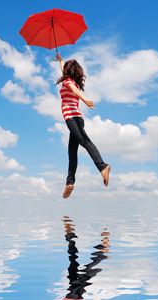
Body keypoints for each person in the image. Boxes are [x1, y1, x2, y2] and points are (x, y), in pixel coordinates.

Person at [56, 53, 111, 199]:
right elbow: (65, 73)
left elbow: (75, 92)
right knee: (72, 153)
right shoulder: (72, 81)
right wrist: (61, 61)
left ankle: (102, 166)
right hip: (77, 119)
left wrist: (86, 100)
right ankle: (69, 183)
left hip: (72, 119)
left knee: (85, 142)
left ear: (69, 71)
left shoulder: (69, 83)